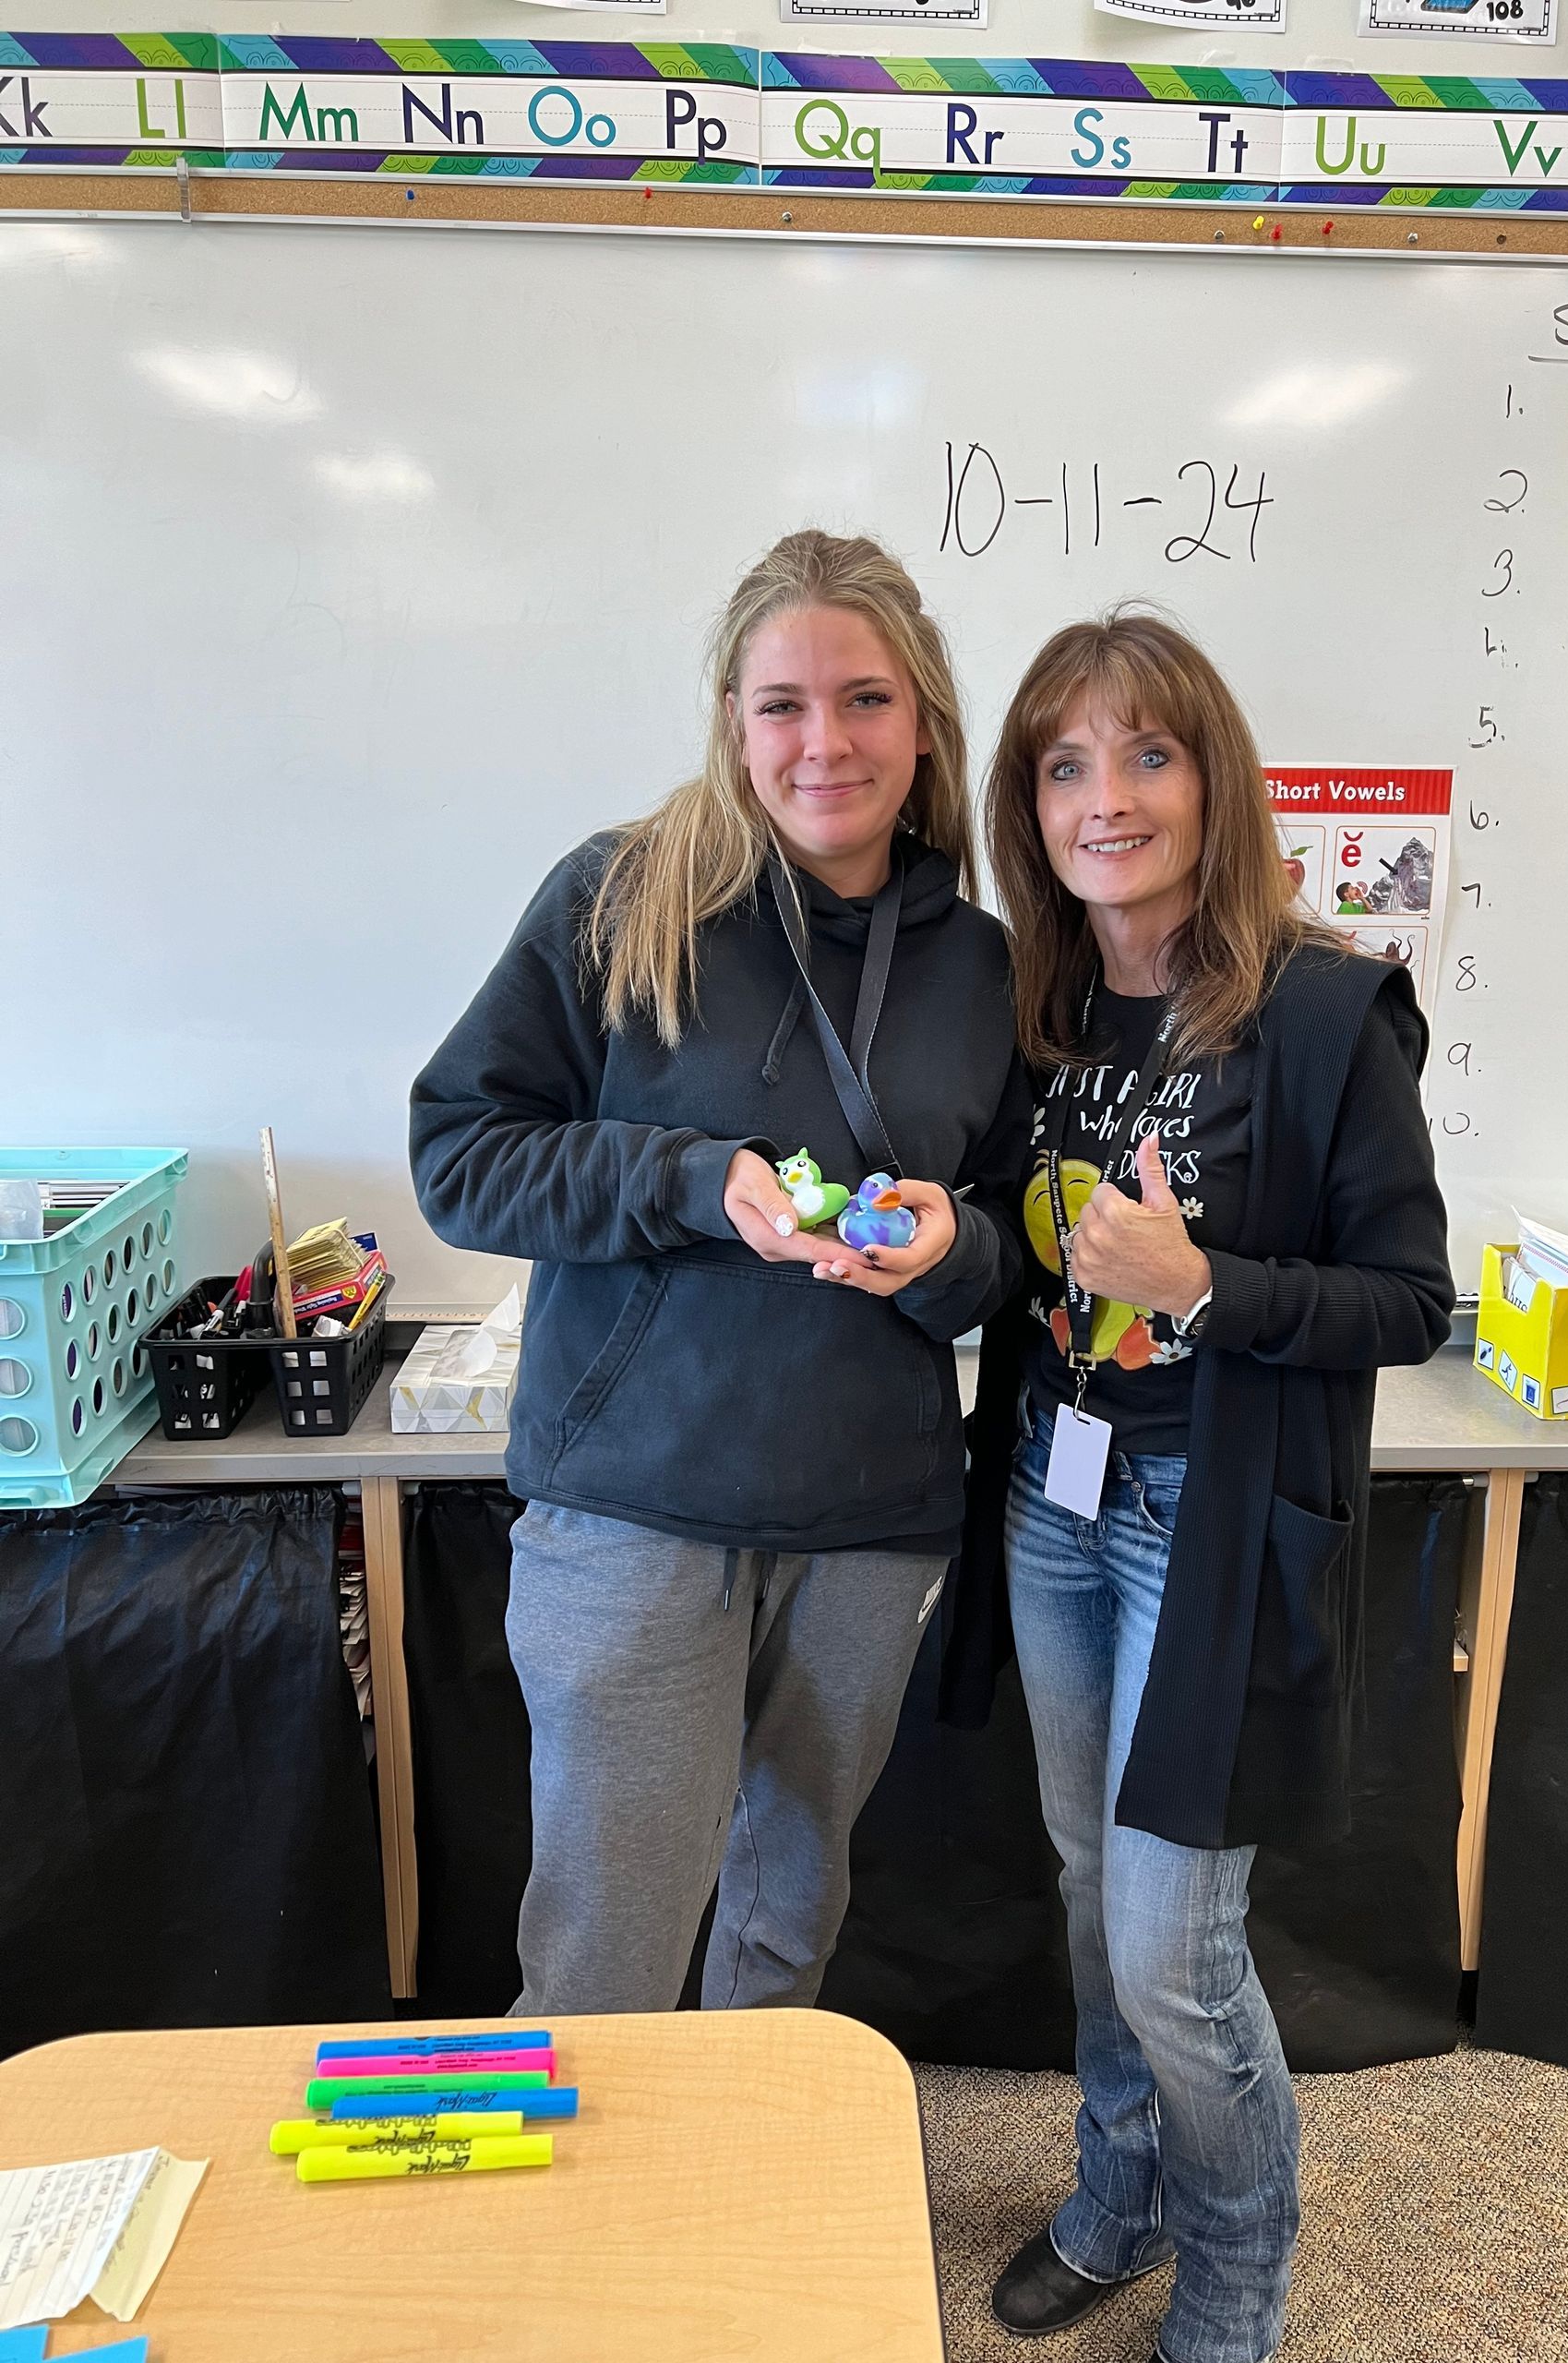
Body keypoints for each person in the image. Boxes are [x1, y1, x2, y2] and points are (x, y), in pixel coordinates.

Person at [410, 530, 1027, 2018]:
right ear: (732, 721)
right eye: (784, 705)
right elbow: (462, 1153)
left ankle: (734, 2235)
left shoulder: (985, 963)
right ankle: (576, 2253)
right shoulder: (622, 899)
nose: (827, 743)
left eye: (867, 699)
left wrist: (953, 1254)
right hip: (635, 1514)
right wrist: (689, 1179)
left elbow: (1017, 1236)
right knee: (606, 1958)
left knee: (783, 1933)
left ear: (927, 716)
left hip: (869, 1528)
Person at [968, 611, 1454, 2363]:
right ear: (1032, 802)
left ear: (1212, 776)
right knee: (1091, 1892)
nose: (1108, 797)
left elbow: (1410, 1298)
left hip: (1215, 1529)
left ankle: (1238, 2268)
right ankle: (1121, 2190)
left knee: (1177, 1945)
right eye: (1067, 763)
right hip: (1050, 1498)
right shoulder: (1031, 1002)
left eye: (1148, 754)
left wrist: (1205, 1289)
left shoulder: (1325, 1010)